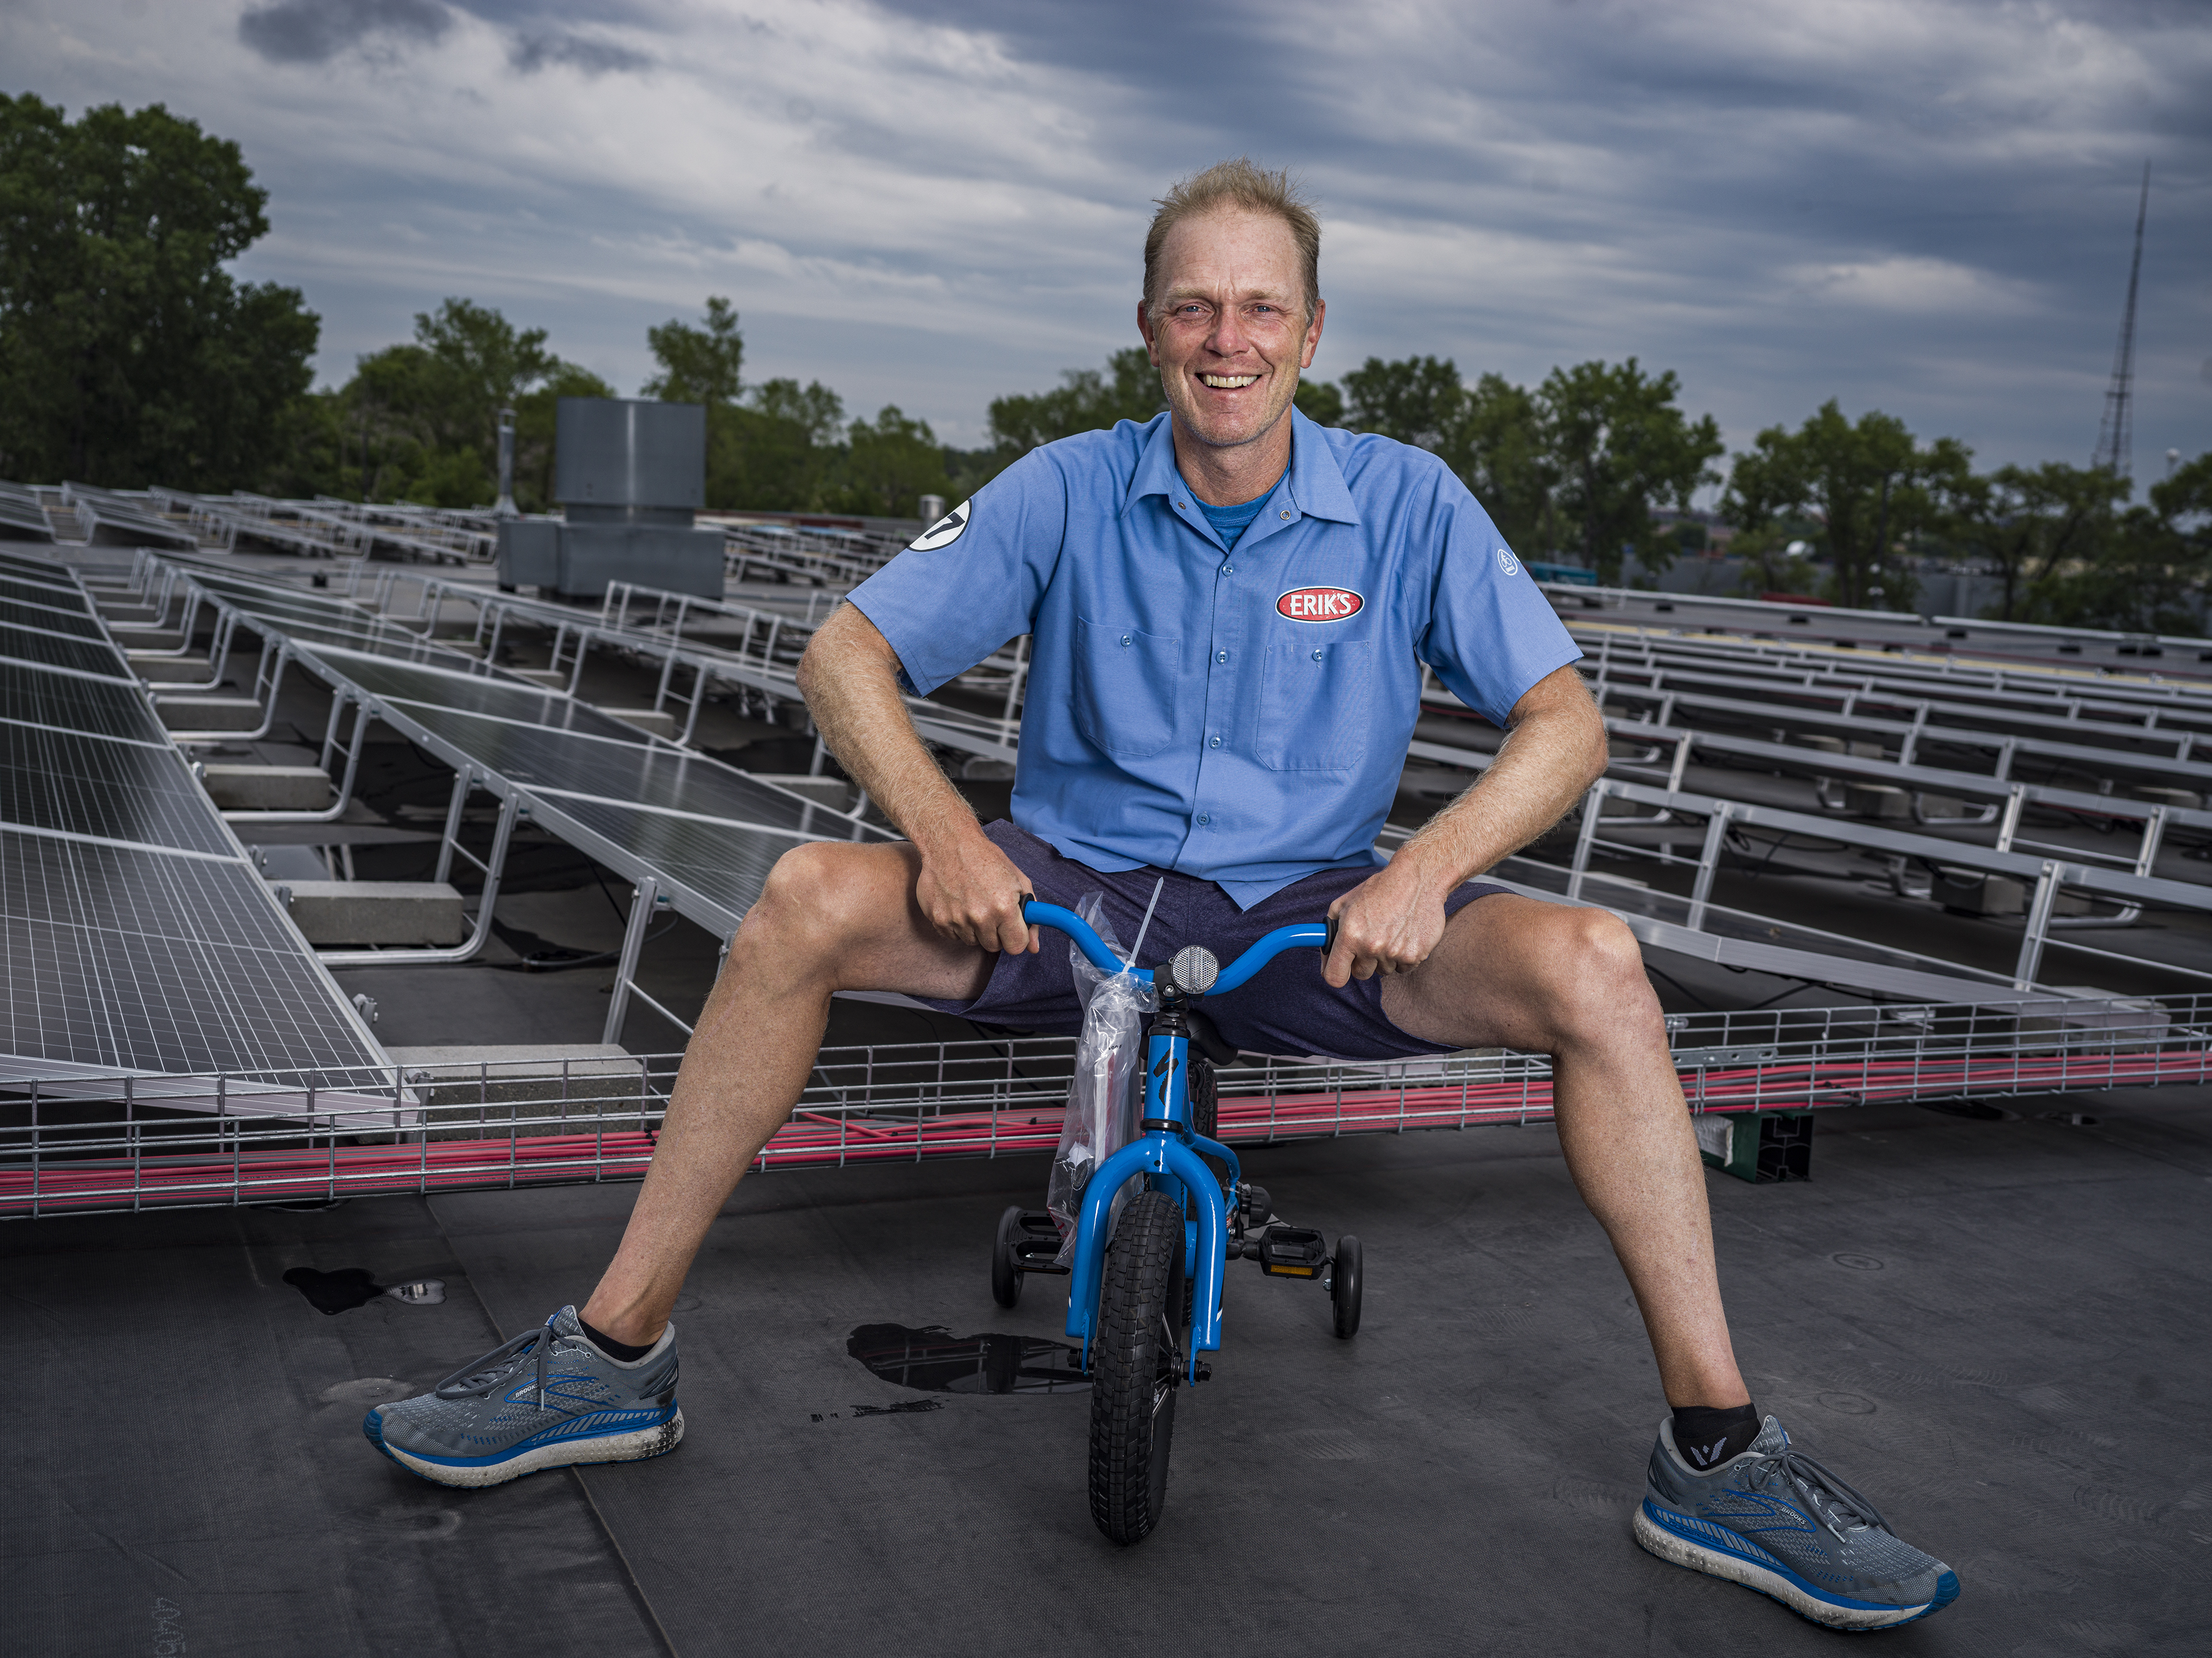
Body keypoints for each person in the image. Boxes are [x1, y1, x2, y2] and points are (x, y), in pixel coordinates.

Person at [364, 159, 1957, 1631]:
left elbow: (1568, 724)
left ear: (1313, 332)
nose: (1228, 337)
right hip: (1064, 892)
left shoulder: (1405, 502)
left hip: (1310, 919)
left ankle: (1717, 1448)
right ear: (1148, 330)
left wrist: (1426, 868)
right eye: (1194, 303)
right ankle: (617, 1353)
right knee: (797, 897)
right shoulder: (1064, 486)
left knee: (1600, 966)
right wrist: (943, 832)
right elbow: (843, 650)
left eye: (1262, 305)